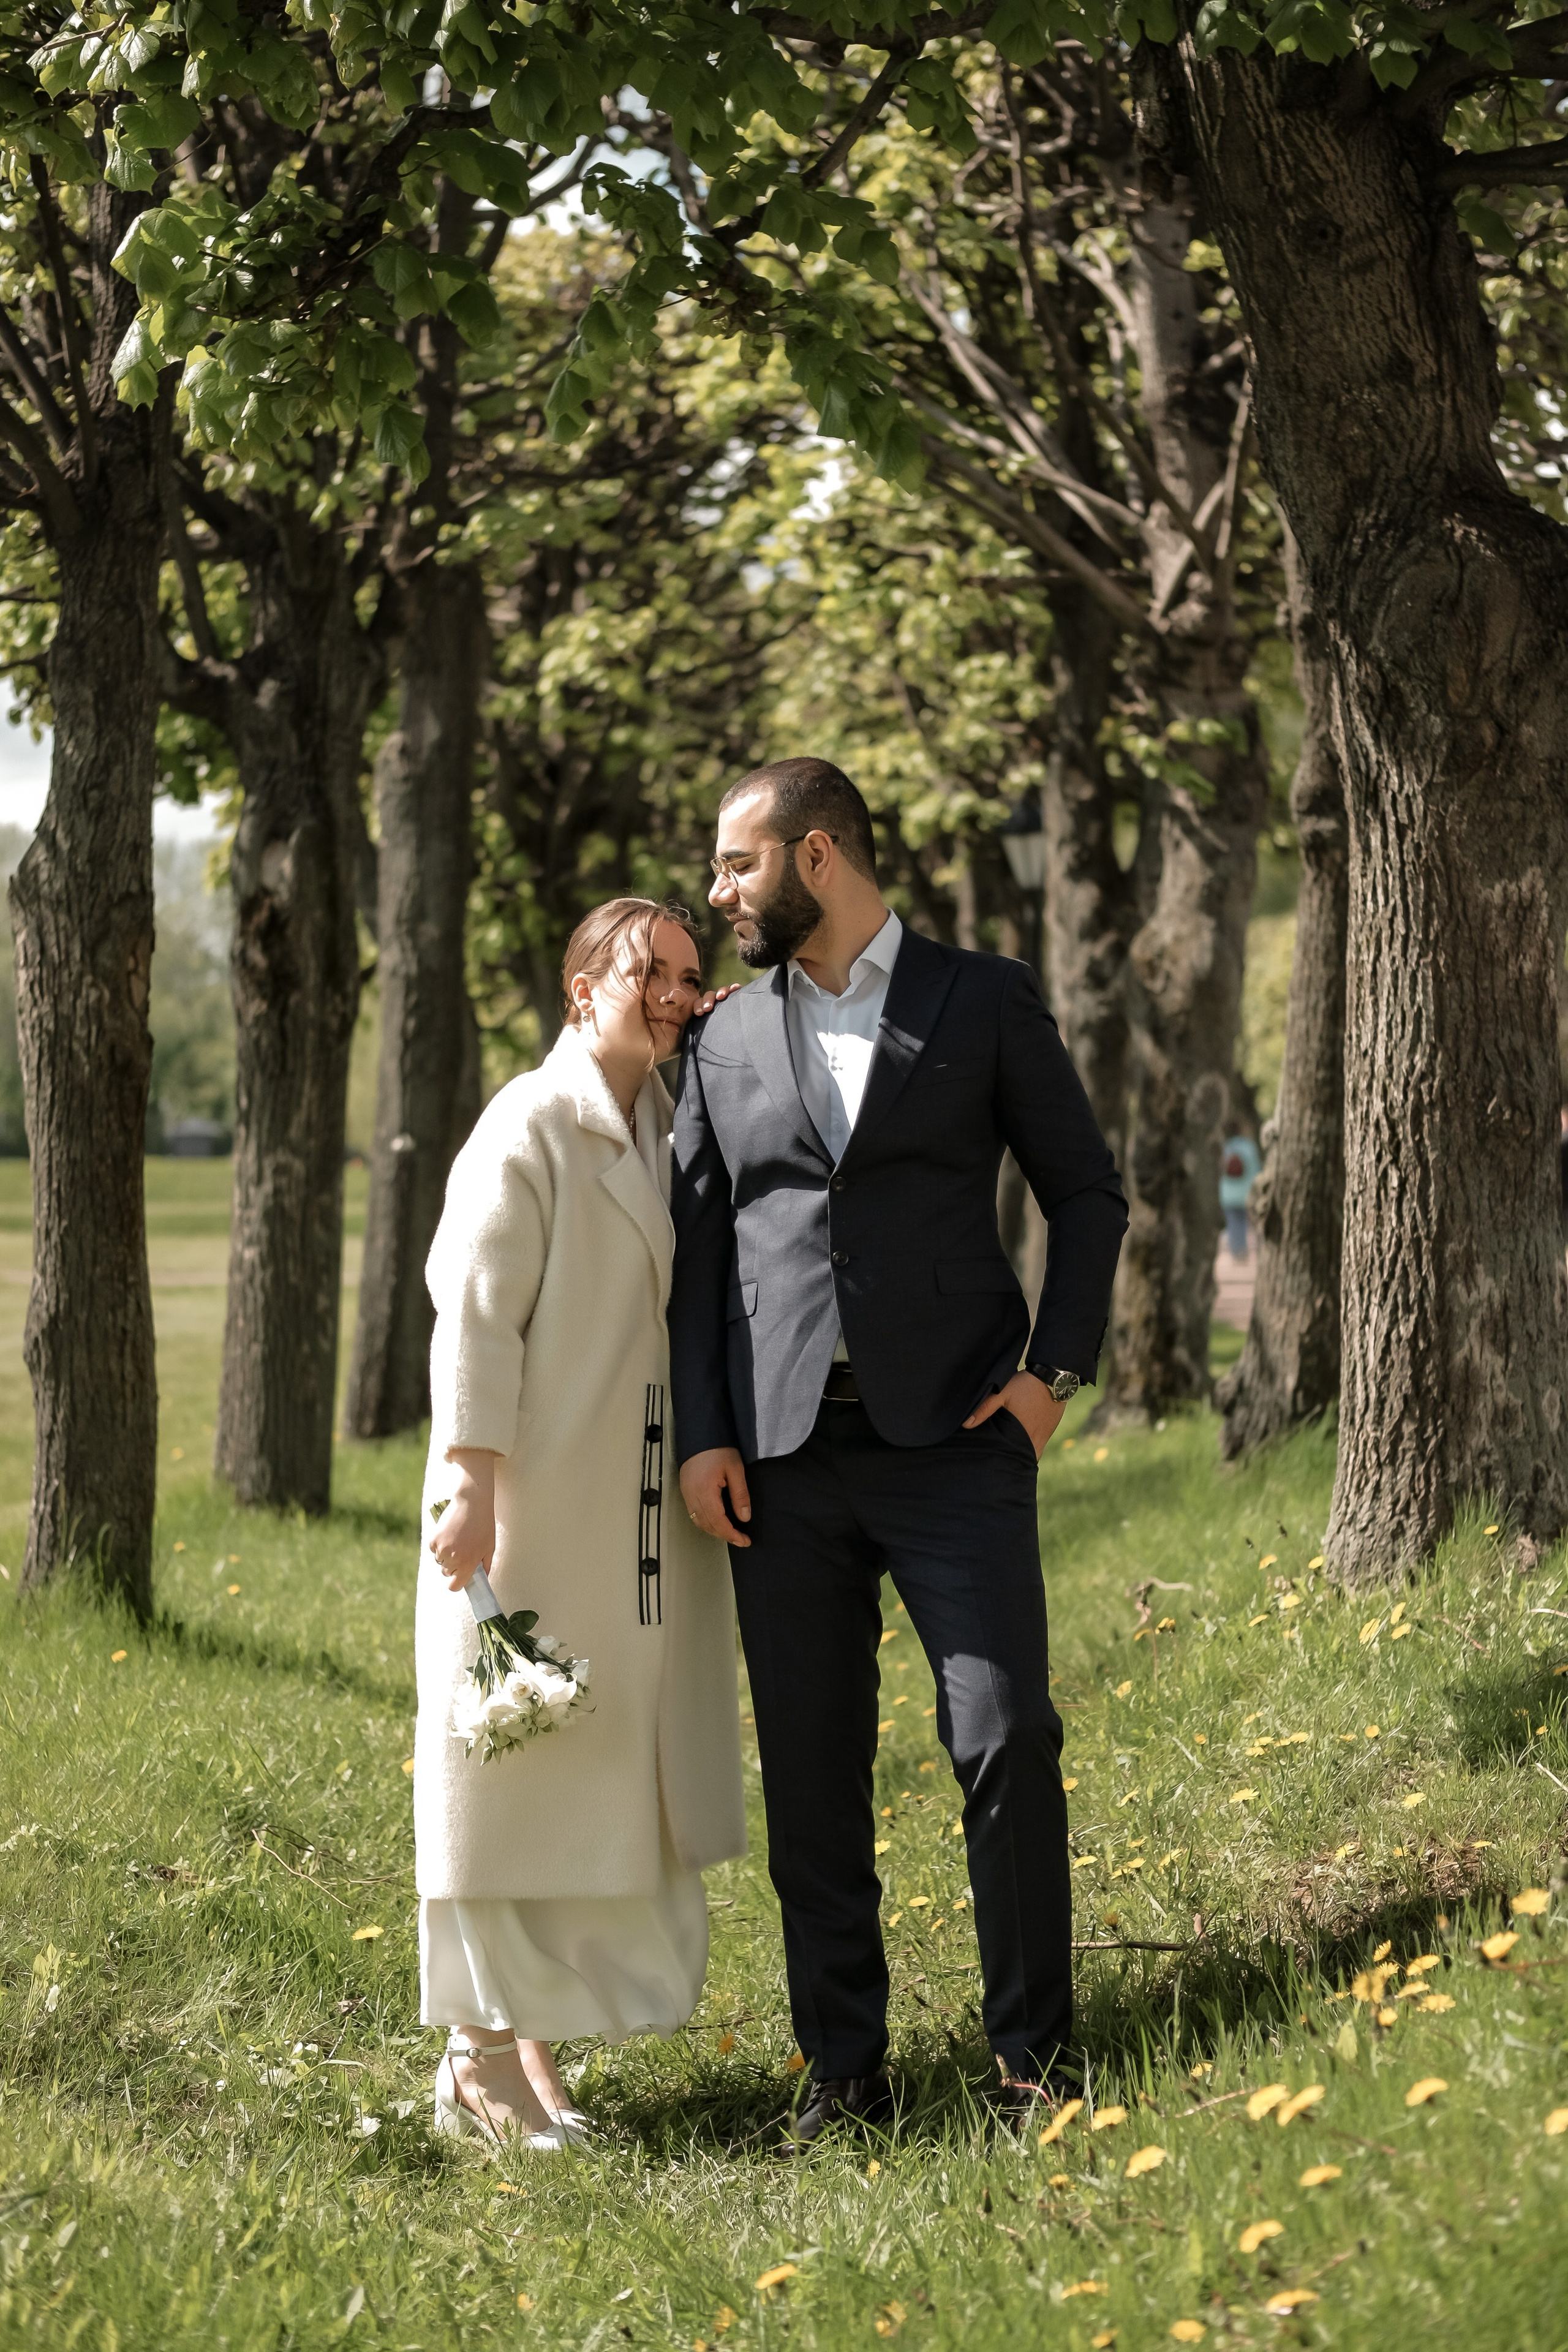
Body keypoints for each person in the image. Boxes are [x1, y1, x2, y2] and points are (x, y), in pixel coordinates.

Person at [669, 757, 1127, 2149]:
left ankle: (1035, 2065)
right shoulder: (724, 1035)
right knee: (812, 1774)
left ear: (816, 858)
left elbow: (1084, 1194)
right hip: (783, 1460)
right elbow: (694, 1254)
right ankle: (843, 2075)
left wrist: (1051, 1378)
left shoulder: (977, 998)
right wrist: (701, 1434)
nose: (717, 890)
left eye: (736, 864)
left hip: (956, 1447)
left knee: (1004, 1734)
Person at [414, 900, 747, 2150]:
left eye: (684, 975)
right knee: (510, 1778)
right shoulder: (530, 1124)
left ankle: (528, 2069)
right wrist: (474, 1483)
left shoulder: (665, 1119)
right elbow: (475, 1316)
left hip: (632, 1514)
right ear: (578, 991)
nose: (669, 991)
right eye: (643, 973)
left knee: (584, 1773)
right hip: (528, 1504)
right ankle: (474, 2066)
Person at [1220, 1132, 1261, 1258]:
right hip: (1246, 1193)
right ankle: (1249, 1249)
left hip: (1228, 1194)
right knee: (1245, 1223)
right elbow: (1256, 1169)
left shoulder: (1226, 1147)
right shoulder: (1249, 1147)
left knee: (1233, 1224)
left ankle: (1238, 1252)